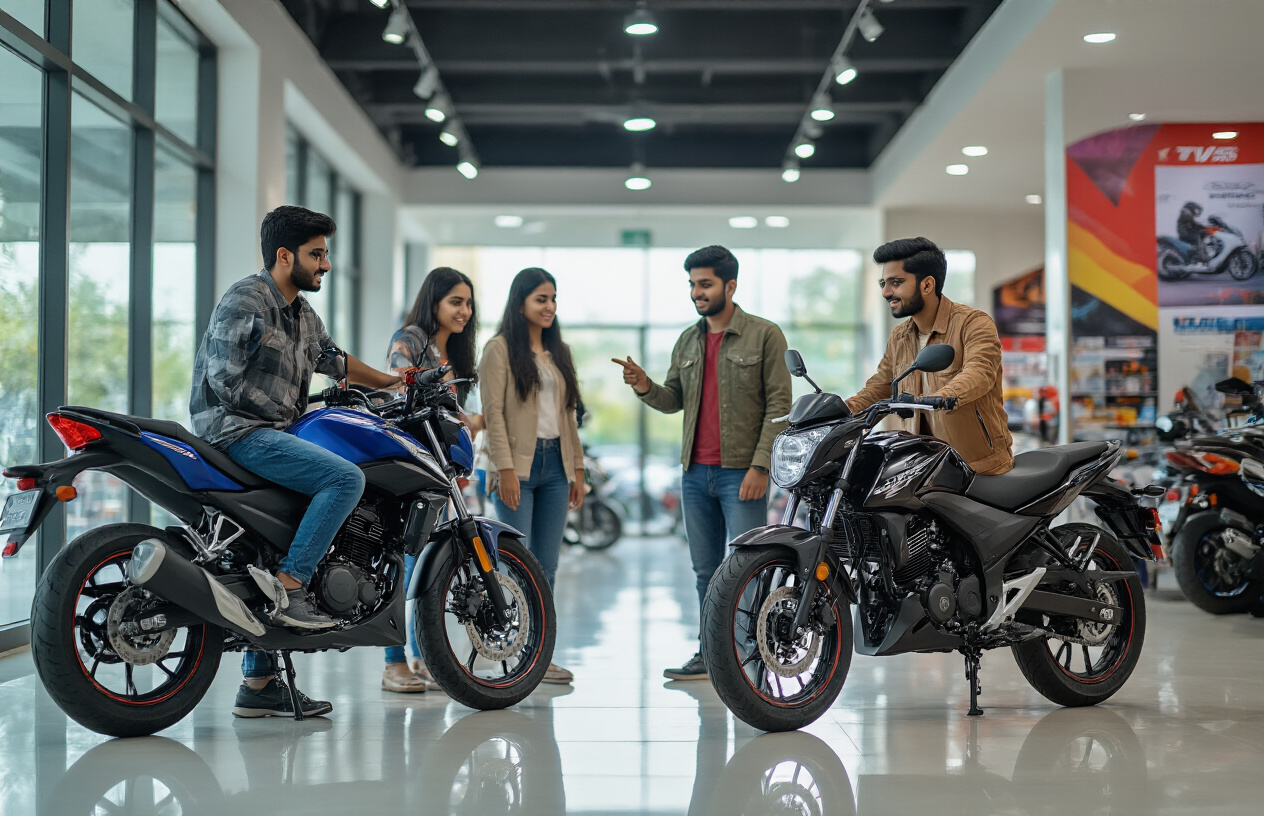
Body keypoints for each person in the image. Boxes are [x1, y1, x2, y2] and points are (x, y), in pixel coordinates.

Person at [190, 205, 402, 718]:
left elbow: (337, 362)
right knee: (343, 478)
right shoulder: (248, 299)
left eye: (326, 254)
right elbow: (222, 382)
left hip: (270, 433)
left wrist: (396, 382)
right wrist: (288, 413)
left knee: (275, 537)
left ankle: (259, 686)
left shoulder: (304, 316)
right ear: (285, 256)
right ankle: (291, 586)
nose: (326, 264)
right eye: (317, 254)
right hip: (236, 432)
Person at [614, 245, 792, 681]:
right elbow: (673, 399)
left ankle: (751, 653)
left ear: (730, 286)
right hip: (694, 473)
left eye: (705, 284)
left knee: (747, 569)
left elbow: (780, 406)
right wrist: (644, 386)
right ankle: (710, 653)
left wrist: (761, 466)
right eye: (693, 284)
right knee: (705, 572)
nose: (697, 292)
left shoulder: (765, 335)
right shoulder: (688, 340)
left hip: (741, 474)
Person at [480, 267, 585, 686]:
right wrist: (504, 468)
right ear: (520, 301)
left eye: (553, 299)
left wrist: (577, 469)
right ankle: (514, 651)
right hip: (517, 469)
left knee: (548, 567)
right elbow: (493, 415)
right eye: (541, 298)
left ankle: (539, 656)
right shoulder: (499, 349)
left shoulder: (559, 353)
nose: (549, 306)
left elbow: (569, 416)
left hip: (556, 468)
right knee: (514, 566)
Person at [380, 267, 482, 693]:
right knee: (404, 564)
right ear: (434, 301)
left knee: (432, 566)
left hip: (439, 471)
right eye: (455, 301)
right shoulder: (410, 339)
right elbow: (400, 395)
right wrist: (465, 419)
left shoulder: (452, 352)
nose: (464, 311)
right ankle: (393, 663)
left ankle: (423, 659)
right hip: (408, 465)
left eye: (468, 303)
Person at [846, 237, 1013, 475]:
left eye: (896, 282)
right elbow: (880, 387)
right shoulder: (900, 336)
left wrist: (942, 397)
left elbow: (980, 372)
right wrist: (840, 412)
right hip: (923, 466)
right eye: (883, 282)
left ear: (927, 285)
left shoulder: (973, 323)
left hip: (978, 466)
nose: (885, 292)